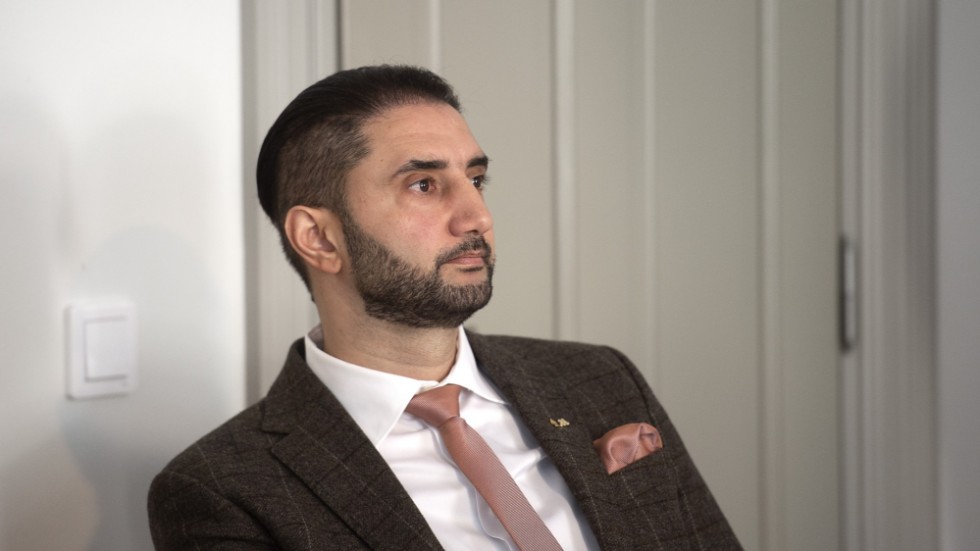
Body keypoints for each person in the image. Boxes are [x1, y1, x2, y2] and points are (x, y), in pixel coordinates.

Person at [148, 65, 740, 551]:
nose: (477, 216)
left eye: (476, 179)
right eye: (424, 185)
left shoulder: (598, 378)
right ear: (319, 238)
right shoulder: (225, 490)